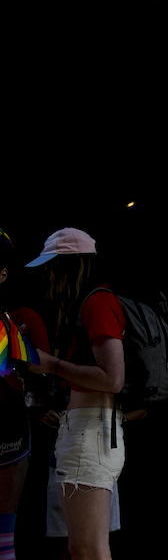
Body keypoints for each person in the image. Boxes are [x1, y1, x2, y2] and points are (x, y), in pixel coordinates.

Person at [25, 228, 126, 560]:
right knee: (81, 547)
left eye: (51, 267)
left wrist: (53, 365)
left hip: (91, 429)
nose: (47, 277)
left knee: (88, 549)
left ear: (69, 266)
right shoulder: (91, 303)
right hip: (89, 429)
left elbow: (113, 379)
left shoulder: (97, 303)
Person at [1, 228, 51, 560]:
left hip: (11, 432)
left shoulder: (19, 320)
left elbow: (42, 379)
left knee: (5, 534)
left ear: (3, 274)